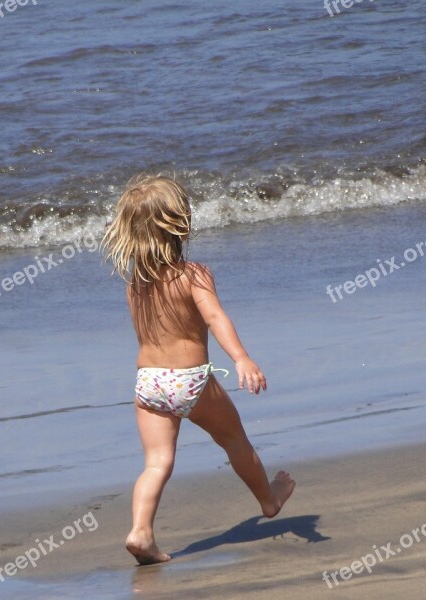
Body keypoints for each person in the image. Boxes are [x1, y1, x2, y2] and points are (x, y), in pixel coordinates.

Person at [101, 174, 295, 565]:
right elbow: (215, 318)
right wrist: (240, 357)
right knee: (234, 439)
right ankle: (269, 499)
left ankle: (141, 531)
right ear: (181, 224)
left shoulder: (134, 284)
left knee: (157, 463)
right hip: (190, 382)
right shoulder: (194, 275)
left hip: (148, 383)